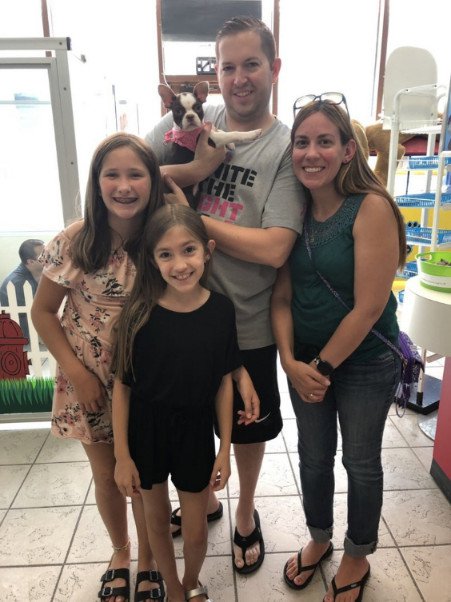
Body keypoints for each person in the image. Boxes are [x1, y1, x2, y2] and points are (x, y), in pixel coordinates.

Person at [146, 16, 305, 574]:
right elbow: (131, 170)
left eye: (251, 65)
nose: (239, 78)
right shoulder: (197, 119)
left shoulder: (286, 148)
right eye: (227, 66)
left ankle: (244, 512)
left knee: (247, 426)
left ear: (273, 69)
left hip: (245, 322)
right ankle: (206, 499)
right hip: (178, 316)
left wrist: (194, 218)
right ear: (214, 76)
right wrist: (191, 168)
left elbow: (275, 248)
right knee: (189, 415)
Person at [271, 94, 406, 601]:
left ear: (348, 150)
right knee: (312, 456)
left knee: (362, 461)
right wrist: (290, 361)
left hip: (364, 361)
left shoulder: (371, 208)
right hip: (304, 360)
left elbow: (369, 306)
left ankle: (356, 553)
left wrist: (320, 368)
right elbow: (280, 296)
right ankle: (319, 537)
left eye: (325, 141)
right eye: (302, 142)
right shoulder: (294, 212)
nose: (311, 152)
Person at [31, 133, 175, 602]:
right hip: (88, 382)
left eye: (136, 174)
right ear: (96, 183)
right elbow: (42, 313)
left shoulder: (165, 236)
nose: (124, 185)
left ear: (152, 182)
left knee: (147, 477)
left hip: (148, 383)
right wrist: (77, 372)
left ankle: (151, 561)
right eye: (112, 174)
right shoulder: (76, 240)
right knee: (109, 473)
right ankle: (120, 551)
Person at [113, 203, 247, 602]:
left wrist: (224, 450)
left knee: (195, 529)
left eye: (188, 250)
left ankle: (191, 580)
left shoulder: (221, 310)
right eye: (166, 254)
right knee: (155, 522)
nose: (180, 264)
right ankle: (172, 588)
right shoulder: (137, 315)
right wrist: (122, 455)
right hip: (146, 431)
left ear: (207, 250)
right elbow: (122, 387)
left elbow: (224, 384)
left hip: (195, 431)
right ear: (152, 261)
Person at [1, 238, 44, 340]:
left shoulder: (35, 272)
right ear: (31, 262)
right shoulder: (18, 283)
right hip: (23, 333)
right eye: (43, 255)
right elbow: (39, 312)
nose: (49, 256)